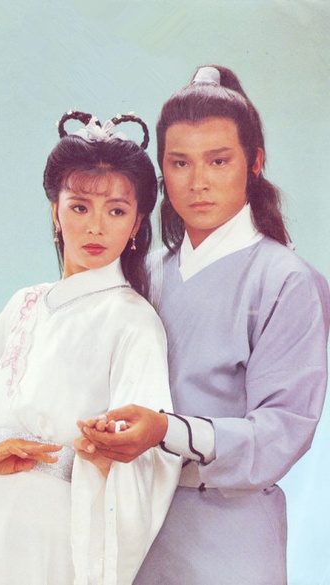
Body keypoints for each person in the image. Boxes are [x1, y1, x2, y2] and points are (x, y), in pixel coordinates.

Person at [77, 66, 330, 584]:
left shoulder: (286, 280)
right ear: (161, 171)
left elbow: (281, 432)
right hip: (137, 529)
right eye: (179, 163)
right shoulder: (146, 273)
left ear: (254, 162)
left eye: (218, 161)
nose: (198, 183)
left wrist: (165, 431)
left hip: (230, 540)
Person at [0, 110, 181, 585]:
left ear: (136, 224)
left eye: (116, 211)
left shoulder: (134, 322)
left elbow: (148, 454)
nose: (95, 227)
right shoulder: (24, 304)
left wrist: (103, 458)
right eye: (80, 207)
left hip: (55, 531)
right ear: (55, 210)